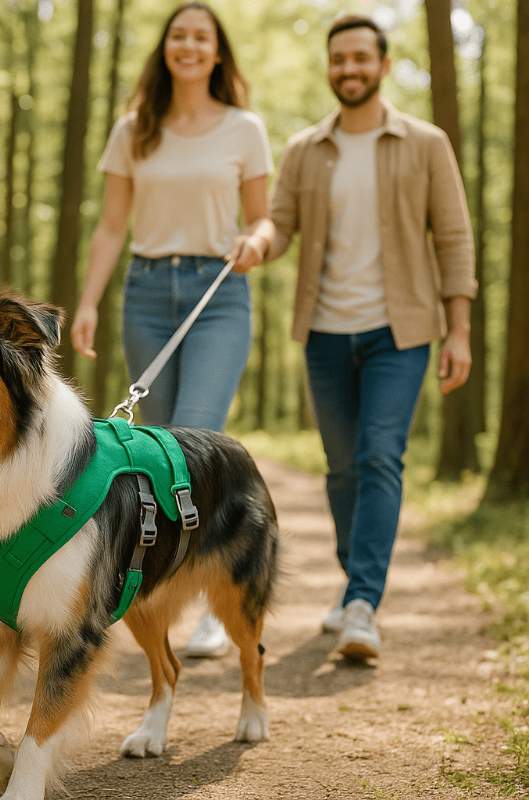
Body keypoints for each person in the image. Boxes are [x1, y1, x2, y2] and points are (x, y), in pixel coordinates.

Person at [266, 14, 477, 660]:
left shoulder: (425, 142)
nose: (349, 69)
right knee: (342, 470)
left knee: (380, 455)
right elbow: (279, 225)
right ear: (330, 67)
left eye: (361, 58)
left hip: (402, 331)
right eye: (339, 59)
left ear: (384, 65)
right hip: (325, 333)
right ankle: (355, 580)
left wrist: (459, 330)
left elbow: (454, 237)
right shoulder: (306, 148)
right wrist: (255, 243)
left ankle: (362, 602)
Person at [70, 2, 275, 658]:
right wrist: (89, 301)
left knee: (197, 438)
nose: (188, 46)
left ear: (217, 53)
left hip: (219, 293)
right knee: (154, 449)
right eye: (178, 36)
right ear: (167, 49)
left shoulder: (245, 129)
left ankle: (219, 597)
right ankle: (152, 587)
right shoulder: (135, 129)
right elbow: (109, 225)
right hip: (148, 290)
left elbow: (265, 220)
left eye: (201, 38)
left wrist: (257, 243)